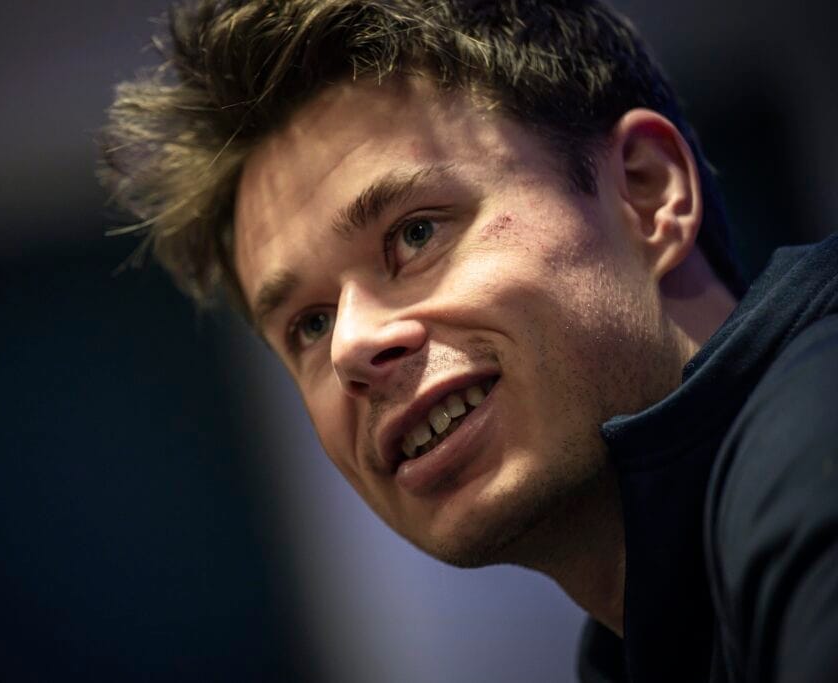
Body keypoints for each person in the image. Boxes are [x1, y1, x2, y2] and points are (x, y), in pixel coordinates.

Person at [98, 1, 838, 680]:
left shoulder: (817, 441)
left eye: (415, 234)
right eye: (309, 324)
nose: (351, 346)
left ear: (646, 193)